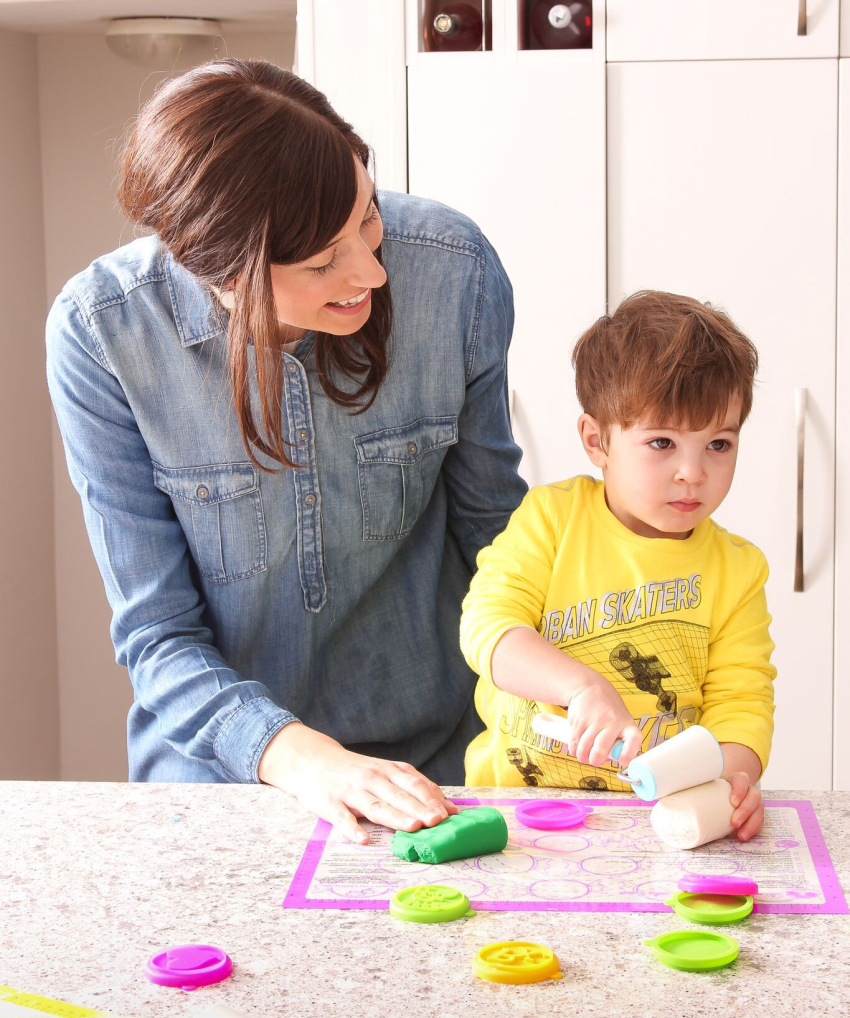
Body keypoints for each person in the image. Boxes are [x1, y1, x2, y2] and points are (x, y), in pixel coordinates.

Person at [46, 59, 526, 845]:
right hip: (217, 791)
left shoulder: (454, 269)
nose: (371, 270)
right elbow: (157, 635)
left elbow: (502, 547)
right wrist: (312, 763)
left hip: (439, 772)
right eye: (320, 263)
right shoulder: (103, 334)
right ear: (211, 266)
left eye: (367, 218)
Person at [460, 290, 775, 842]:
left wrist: (733, 779)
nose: (692, 472)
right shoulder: (551, 520)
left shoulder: (738, 570)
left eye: (719, 444)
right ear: (596, 440)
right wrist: (580, 687)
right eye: (662, 442)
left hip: (655, 822)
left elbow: (741, 703)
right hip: (517, 816)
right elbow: (488, 630)